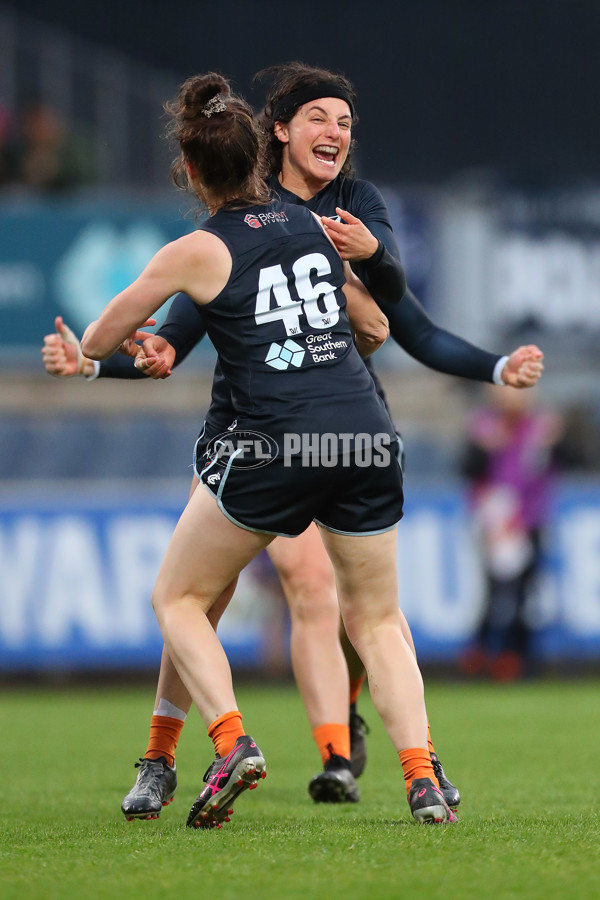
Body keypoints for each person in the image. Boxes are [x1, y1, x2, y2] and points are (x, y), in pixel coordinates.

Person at [42, 62, 543, 819]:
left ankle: (239, 744)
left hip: (264, 441)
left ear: (190, 171)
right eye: (320, 118)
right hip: (361, 435)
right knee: (372, 617)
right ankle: (419, 777)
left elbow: (112, 336)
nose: (336, 132)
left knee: (185, 597)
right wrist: (361, 278)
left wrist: (91, 359)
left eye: (344, 122)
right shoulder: (318, 226)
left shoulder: (219, 241)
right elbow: (379, 324)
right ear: (268, 143)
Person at [459, 386, 563, 681]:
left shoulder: (541, 428)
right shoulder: (484, 427)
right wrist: (484, 449)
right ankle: (482, 651)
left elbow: (561, 463)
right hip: (493, 522)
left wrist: (554, 441)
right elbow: (469, 470)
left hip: (530, 520)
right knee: (493, 590)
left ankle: (515, 653)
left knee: (524, 591)